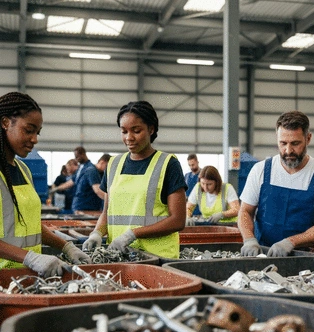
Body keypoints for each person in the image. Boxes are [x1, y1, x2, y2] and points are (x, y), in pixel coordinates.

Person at [0, 91, 91, 277]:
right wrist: (30, 258)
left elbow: (31, 225)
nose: (35, 139)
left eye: (37, 132)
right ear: (5, 123)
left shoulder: (23, 170)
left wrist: (66, 246)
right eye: (28, 130)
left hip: (29, 279)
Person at [82, 100, 187, 259]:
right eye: (124, 131)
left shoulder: (168, 164)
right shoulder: (114, 164)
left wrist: (132, 234)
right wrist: (97, 233)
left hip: (157, 258)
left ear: (151, 129)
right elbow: (107, 212)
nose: (129, 137)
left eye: (136, 131)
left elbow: (178, 221)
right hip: (120, 256)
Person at [239, 110, 314, 257]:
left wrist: (291, 242)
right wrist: (249, 239)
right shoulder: (260, 170)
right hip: (263, 254)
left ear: (308, 138)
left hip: (304, 259)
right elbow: (245, 211)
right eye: (283, 143)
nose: (288, 150)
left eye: (295, 143)